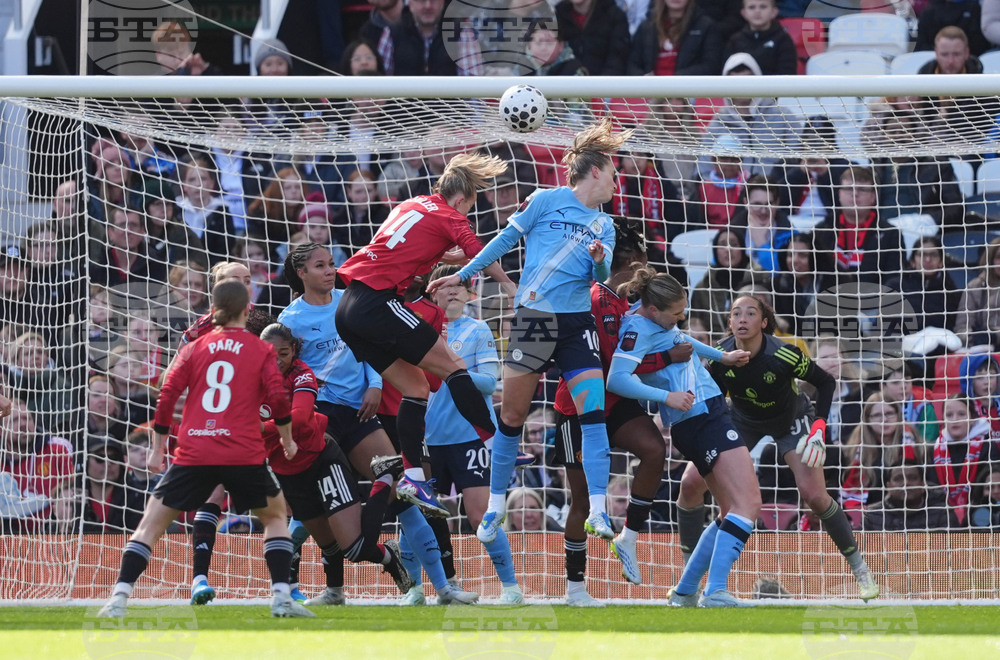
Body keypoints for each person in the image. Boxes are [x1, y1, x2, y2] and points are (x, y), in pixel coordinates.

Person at [430, 117, 630, 545]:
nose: (617, 179)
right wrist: (464, 275)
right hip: (535, 320)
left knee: (593, 414)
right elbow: (503, 242)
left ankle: (597, 510)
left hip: (578, 325)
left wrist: (597, 259)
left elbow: (602, 273)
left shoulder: (605, 225)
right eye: (613, 171)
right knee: (512, 416)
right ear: (595, 170)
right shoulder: (544, 200)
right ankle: (496, 506)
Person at [97, 280, 314, 619]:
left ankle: (118, 600)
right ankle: (282, 599)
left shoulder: (193, 348)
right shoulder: (260, 351)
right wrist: (286, 439)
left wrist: (157, 448)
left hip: (195, 450)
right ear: (247, 311)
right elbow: (277, 398)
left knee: (150, 525)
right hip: (243, 452)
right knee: (275, 517)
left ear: (213, 310)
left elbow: (166, 395)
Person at [281, 244, 479, 605]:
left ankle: (445, 589)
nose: (330, 270)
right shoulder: (290, 319)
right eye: (320, 266)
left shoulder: (351, 302)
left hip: (361, 412)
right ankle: (333, 590)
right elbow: (291, 371)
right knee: (329, 503)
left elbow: (374, 348)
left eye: (331, 264)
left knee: (404, 493)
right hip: (322, 415)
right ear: (301, 274)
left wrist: (374, 385)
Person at [335, 152, 515, 518]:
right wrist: (510, 287)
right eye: (467, 209)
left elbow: (400, 251)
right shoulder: (451, 215)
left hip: (348, 307)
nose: (464, 216)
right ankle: (498, 446)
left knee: (416, 389)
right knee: (453, 366)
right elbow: (481, 252)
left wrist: (442, 260)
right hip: (377, 303)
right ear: (462, 199)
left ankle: (414, 475)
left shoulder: (411, 203)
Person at [678, 295, 879, 601]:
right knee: (690, 482)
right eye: (736, 314)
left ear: (764, 322)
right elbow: (711, 398)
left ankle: (861, 570)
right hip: (741, 420)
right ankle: (688, 577)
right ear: (730, 322)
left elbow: (825, 382)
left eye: (750, 313)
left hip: (792, 420)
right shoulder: (719, 354)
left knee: (815, 496)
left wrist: (819, 426)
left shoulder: (784, 354)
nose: (742, 319)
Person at [551, 221, 689, 604]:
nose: (647, 278)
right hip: (576, 408)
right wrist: (666, 357)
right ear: (628, 264)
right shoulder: (596, 300)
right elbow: (614, 368)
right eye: (643, 268)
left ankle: (628, 536)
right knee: (580, 500)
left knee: (654, 450)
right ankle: (575, 587)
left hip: (615, 404)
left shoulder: (623, 302)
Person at [604, 267, 757, 607]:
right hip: (700, 415)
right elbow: (615, 379)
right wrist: (666, 398)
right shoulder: (637, 329)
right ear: (655, 309)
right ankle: (715, 591)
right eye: (676, 313)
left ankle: (685, 592)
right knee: (749, 505)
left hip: (701, 415)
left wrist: (722, 355)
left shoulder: (659, 324)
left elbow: (681, 341)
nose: (681, 317)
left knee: (729, 509)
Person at [257, 323, 413, 602]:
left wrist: (260, 428)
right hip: (288, 473)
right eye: (270, 354)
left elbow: (302, 418)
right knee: (328, 545)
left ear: (294, 350)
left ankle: (386, 478)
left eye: (283, 353)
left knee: (355, 549)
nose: (277, 360)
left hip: (321, 462)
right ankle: (335, 593)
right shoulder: (249, 378)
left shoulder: (302, 374)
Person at [413, 263, 525, 605]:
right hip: (425, 437)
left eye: (458, 285)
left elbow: (490, 383)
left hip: (469, 437)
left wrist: (449, 368)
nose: (450, 290)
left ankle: (511, 589)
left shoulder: (477, 330)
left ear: (470, 294)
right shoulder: (415, 331)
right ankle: (417, 589)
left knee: (480, 515)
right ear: (430, 293)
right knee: (419, 515)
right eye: (442, 285)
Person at [812, 166, 903, 287]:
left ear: (873, 196)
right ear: (839, 194)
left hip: (873, 301)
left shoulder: (890, 234)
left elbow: (893, 280)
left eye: (862, 189)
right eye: (849, 189)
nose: (855, 194)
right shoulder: (821, 231)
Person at [927, 395, 1000, 525]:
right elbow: (931, 488)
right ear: (943, 419)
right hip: (941, 518)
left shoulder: (988, 447)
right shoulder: (932, 449)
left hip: (980, 516)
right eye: (949, 415)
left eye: (961, 414)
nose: (955, 420)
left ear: (972, 418)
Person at [839, 393, 921, 508]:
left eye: (889, 414)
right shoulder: (853, 450)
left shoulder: (916, 444)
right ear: (868, 419)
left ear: (898, 414)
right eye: (877, 415)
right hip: (869, 516)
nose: (884, 420)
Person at [628, 0, 723, 76]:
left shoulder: (706, 26)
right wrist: (645, 79)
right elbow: (633, 64)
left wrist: (678, 78)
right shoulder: (647, 26)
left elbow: (710, 65)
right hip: (649, 92)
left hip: (688, 92)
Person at [864, 461, 957, 531]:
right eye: (898, 479)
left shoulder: (942, 512)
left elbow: (953, 553)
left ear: (923, 485)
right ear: (889, 487)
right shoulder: (872, 514)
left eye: (912, 478)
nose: (906, 483)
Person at [554, 0, 630, 76]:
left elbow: (617, 58)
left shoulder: (614, 15)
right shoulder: (558, 15)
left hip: (605, 83)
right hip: (565, 82)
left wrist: (602, 84)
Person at [723, 0, 796, 75]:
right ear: (743, 13)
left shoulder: (783, 40)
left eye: (763, 7)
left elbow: (787, 74)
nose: (757, 11)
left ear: (774, 12)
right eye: (751, 7)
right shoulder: (735, 41)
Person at [955, 237, 1000, 349]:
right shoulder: (974, 287)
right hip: (983, 352)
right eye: (999, 257)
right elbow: (962, 328)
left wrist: (995, 336)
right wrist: (976, 339)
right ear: (990, 259)